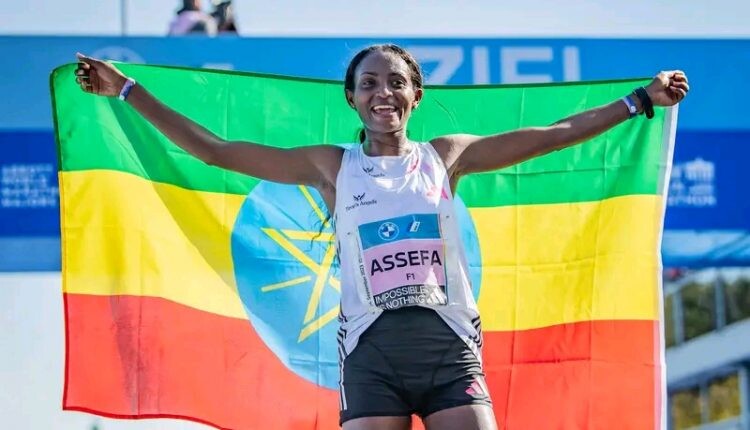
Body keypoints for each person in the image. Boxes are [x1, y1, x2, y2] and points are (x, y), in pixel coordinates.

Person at [73, 44, 688, 430]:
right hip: (371, 360)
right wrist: (125, 90)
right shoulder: (330, 166)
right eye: (368, 83)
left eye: (395, 82)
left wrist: (639, 100)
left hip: (450, 353)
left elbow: (553, 135)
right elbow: (215, 151)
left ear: (416, 95)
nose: (382, 93)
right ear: (351, 98)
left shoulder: (446, 157)